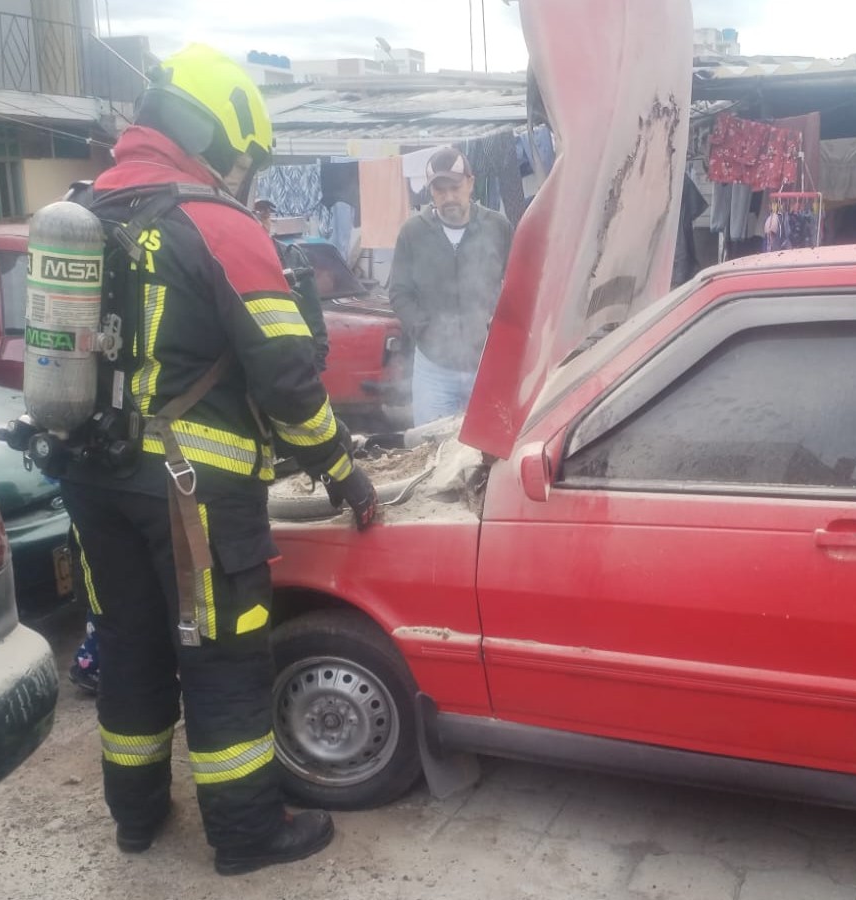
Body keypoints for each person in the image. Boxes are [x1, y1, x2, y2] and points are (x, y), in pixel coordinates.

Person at [56, 44, 377, 876]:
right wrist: (345, 472)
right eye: (243, 153)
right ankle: (246, 834)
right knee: (224, 656)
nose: (242, 170)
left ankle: (135, 817)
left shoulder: (89, 212)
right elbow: (287, 379)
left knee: (127, 647)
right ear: (214, 127)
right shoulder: (216, 223)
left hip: (93, 478)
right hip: (191, 494)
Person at [387, 146, 514, 425]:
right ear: (431, 192)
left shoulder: (497, 226)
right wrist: (425, 329)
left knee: (488, 447)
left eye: (455, 187)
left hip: (486, 364)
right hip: (434, 367)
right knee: (432, 447)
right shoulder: (413, 233)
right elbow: (398, 292)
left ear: (471, 183)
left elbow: (517, 285)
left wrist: (500, 324)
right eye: (440, 190)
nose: (449, 197)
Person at [253, 198, 330, 372]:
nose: (262, 221)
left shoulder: (292, 255)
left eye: (265, 215)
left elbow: (313, 309)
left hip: (296, 357)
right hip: (260, 359)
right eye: (256, 214)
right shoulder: (240, 257)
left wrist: (319, 354)